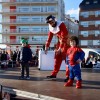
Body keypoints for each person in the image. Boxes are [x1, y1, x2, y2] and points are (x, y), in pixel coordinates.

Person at [45, 15, 69, 81]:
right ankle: (54, 74)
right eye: (49, 23)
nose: (51, 24)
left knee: (67, 60)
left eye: (52, 22)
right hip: (60, 42)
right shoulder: (51, 27)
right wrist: (46, 46)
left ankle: (68, 76)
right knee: (57, 58)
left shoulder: (61, 24)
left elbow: (64, 37)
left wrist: (60, 48)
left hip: (66, 43)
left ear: (54, 20)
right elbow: (49, 37)